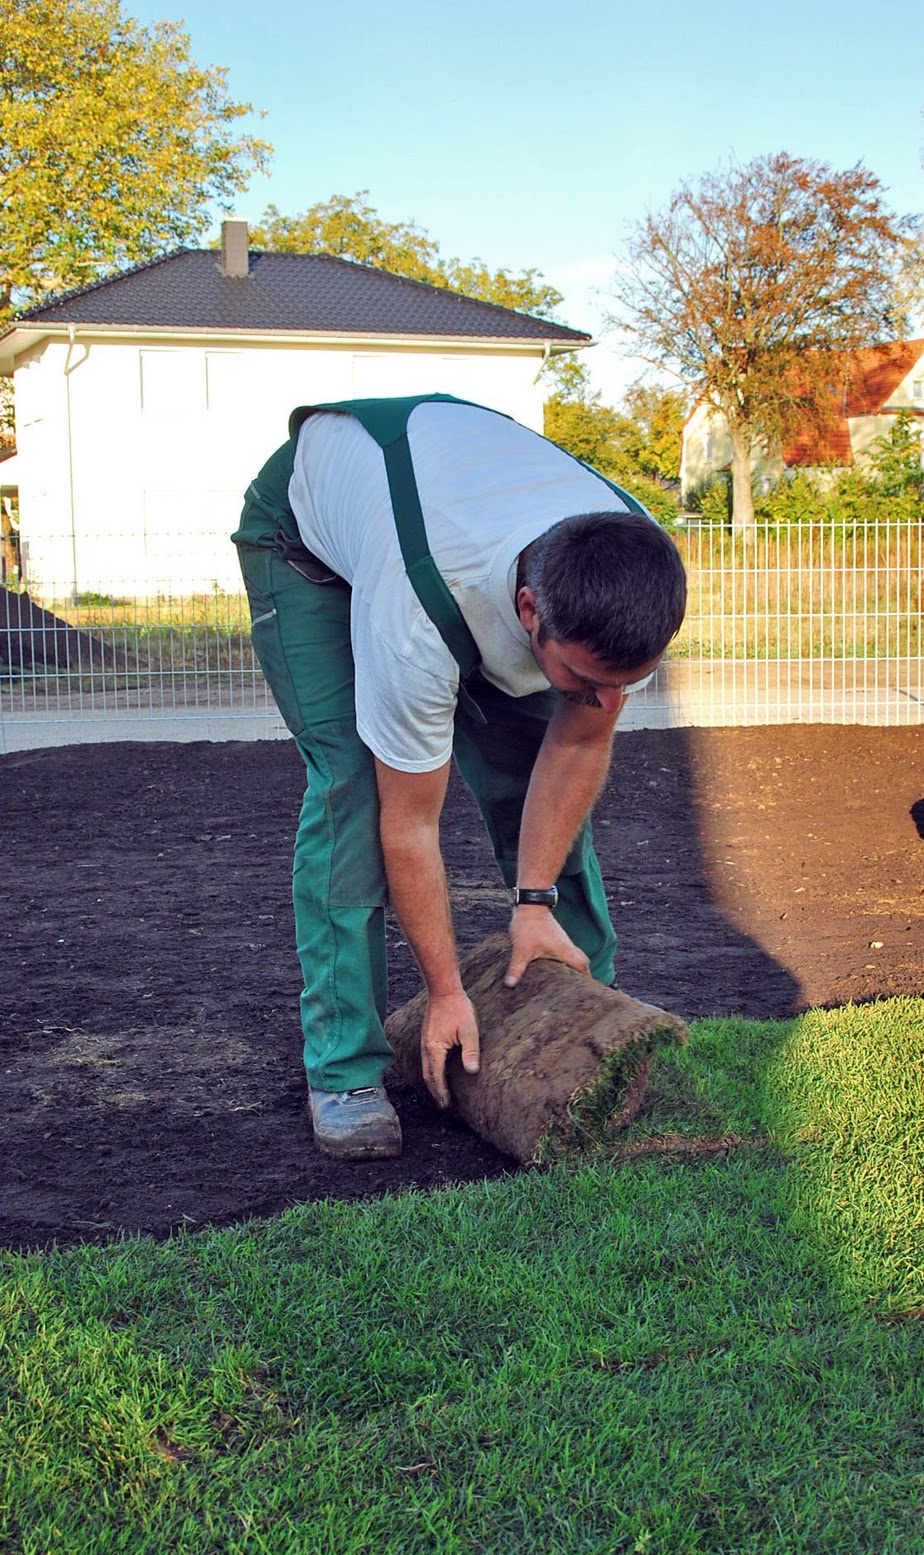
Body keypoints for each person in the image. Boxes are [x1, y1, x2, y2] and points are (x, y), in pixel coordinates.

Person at [233, 393, 687, 1160]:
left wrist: (534, 902)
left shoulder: (629, 571)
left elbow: (576, 748)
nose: (611, 703)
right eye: (586, 676)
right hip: (309, 539)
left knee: (532, 760)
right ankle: (344, 1070)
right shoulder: (416, 616)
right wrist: (446, 991)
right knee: (352, 791)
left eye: (628, 682)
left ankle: (590, 1018)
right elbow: (408, 823)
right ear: (527, 610)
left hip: (452, 530)